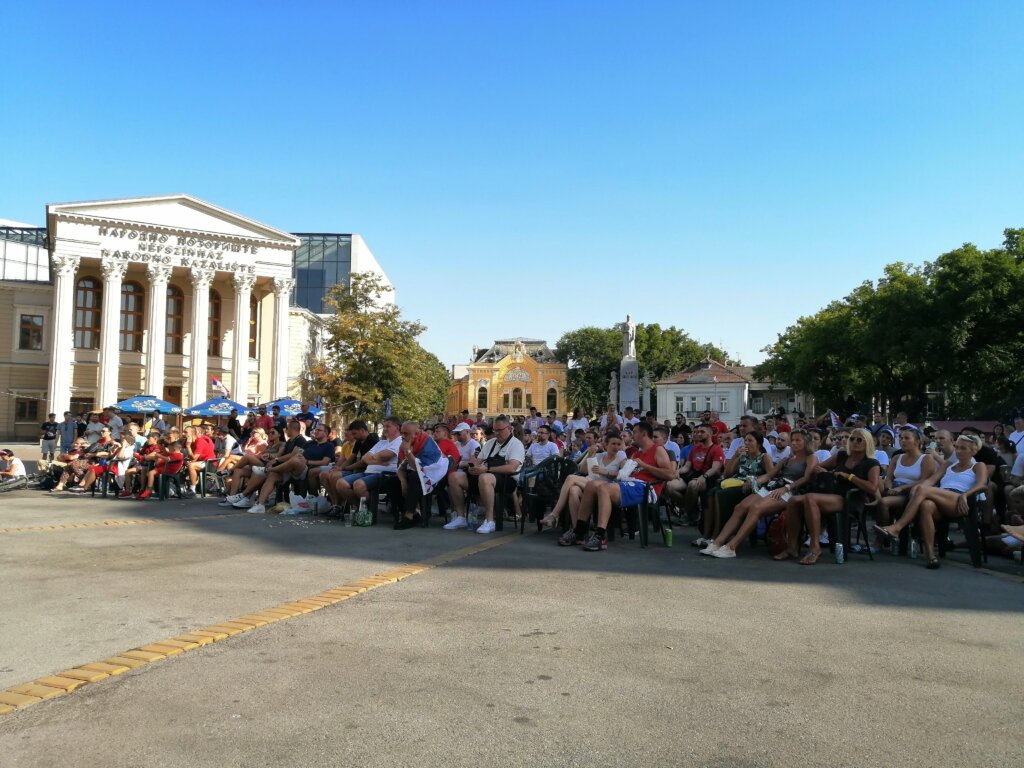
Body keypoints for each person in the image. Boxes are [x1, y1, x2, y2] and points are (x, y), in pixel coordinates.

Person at [875, 434, 989, 568]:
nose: (958, 451)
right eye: (957, 447)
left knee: (923, 490)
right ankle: (931, 556)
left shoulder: (978, 465)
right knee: (926, 504)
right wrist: (917, 488)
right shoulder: (948, 464)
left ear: (973, 451)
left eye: (963, 448)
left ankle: (897, 527)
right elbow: (932, 480)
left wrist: (965, 494)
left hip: (960, 500)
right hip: (941, 498)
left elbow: (982, 484)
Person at [700, 429, 817, 558]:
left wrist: (787, 488)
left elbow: (806, 478)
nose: (794, 443)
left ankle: (731, 546)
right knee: (740, 507)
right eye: (793, 440)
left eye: (798, 440)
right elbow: (770, 474)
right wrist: (755, 481)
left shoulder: (811, 458)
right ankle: (717, 542)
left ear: (806, 442)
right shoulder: (787, 459)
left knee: (756, 508)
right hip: (774, 486)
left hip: (791, 490)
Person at [559, 421, 675, 551]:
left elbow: (670, 474)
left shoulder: (658, 450)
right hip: (629, 484)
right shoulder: (636, 453)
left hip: (646, 489)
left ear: (643, 434)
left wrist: (645, 465)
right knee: (592, 485)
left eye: (635, 432)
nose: (632, 436)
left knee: (604, 488)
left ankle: (600, 536)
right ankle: (579, 531)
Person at [776, 427, 881, 565]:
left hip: (850, 498)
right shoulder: (842, 455)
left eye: (859, 439)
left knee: (810, 498)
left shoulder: (872, 463)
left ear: (867, 442)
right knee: (794, 500)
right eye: (852, 439)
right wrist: (824, 471)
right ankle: (792, 547)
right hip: (832, 493)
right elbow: (817, 468)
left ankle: (815, 548)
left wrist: (849, 477)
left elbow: (872, 487)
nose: (855, 442)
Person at [694, 431, 773, 548]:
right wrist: (736, 457)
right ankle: (707, 534)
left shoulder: (764, 457)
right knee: (711, 493)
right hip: (735, 483)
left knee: (721, 495)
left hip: (750, 487)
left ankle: (717, 535)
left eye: (750, 441)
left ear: (759, 444)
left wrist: (754, 481)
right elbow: (727, 474)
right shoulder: (743, 456)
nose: (746, 443)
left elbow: (770, 475)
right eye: (745, 440)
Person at [447, 415, 524, 534]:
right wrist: (473, 466)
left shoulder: (516, 444)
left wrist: (487, 469)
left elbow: (512, 468)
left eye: (499, 430)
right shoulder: (490, 443)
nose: (496, 433)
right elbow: (478, 461)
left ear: (509, 429)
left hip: (507, 480)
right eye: (495, 430)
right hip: (484, 476)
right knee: (454, 477)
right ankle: (460, 517)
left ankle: (489, 520)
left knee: (485, 477)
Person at [541, 431, 627, 530]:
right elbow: (583, 470)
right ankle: (577, 529)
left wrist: (605, 472)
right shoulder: (599, 456)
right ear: (606, 445)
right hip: (590, 482)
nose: (616, 447)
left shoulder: (621, 458)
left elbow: (624, 474)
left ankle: (554, 515)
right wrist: (589, 455)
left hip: (605, 486)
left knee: (570, 478)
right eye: (613, 444)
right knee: (573, 490)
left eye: (618, 444)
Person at [232, 420, 311, 513]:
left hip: (297, 470)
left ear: (293, 429)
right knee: (271, 476)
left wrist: (276, 460)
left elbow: (292, 455)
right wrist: (272, 459)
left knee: (293, 460)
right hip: (285, 470)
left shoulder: (301, 440)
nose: (285, 430)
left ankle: (266, 470)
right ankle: (259, 504)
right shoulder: (289, 441)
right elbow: (281, 456)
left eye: (287, 428)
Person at [874, 426, 937, 543]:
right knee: (878, 484)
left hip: (911, 493)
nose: (902, 441)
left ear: (917, 442)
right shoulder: (897, 457)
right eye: (901, 438)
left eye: (907, 438)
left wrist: (901, 488)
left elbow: (925, 481)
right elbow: (889, 478)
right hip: (894, 489)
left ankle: (882, 539)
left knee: (883, 502)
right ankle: (886, 536)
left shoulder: (926, 458)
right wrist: (889, 488)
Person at [336, 417, 403, 513]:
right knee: (340, 484)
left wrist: (372, 457)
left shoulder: (400, 441)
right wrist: (378, 460)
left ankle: (369, 511)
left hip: (384, 474)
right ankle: (363, 508)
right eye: (384, 426)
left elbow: (386, 455)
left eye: (388, 426)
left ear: (397, 428)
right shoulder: (382, 442)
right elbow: (365, 458)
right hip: (368, 472)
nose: (385, 428)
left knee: (358, 485)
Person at [391, 421, 449, 529]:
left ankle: (409, 516)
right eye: (401, 433)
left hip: (435, 476)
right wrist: (403, 482)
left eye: (406, 433)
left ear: (416, 434)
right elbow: (400, 468)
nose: (403, 436)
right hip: (416, 474)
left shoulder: (427, 442)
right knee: (393, 481)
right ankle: (412, 514)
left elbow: (421, 469)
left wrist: (408, 451)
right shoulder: (404, 444)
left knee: (415, 477)